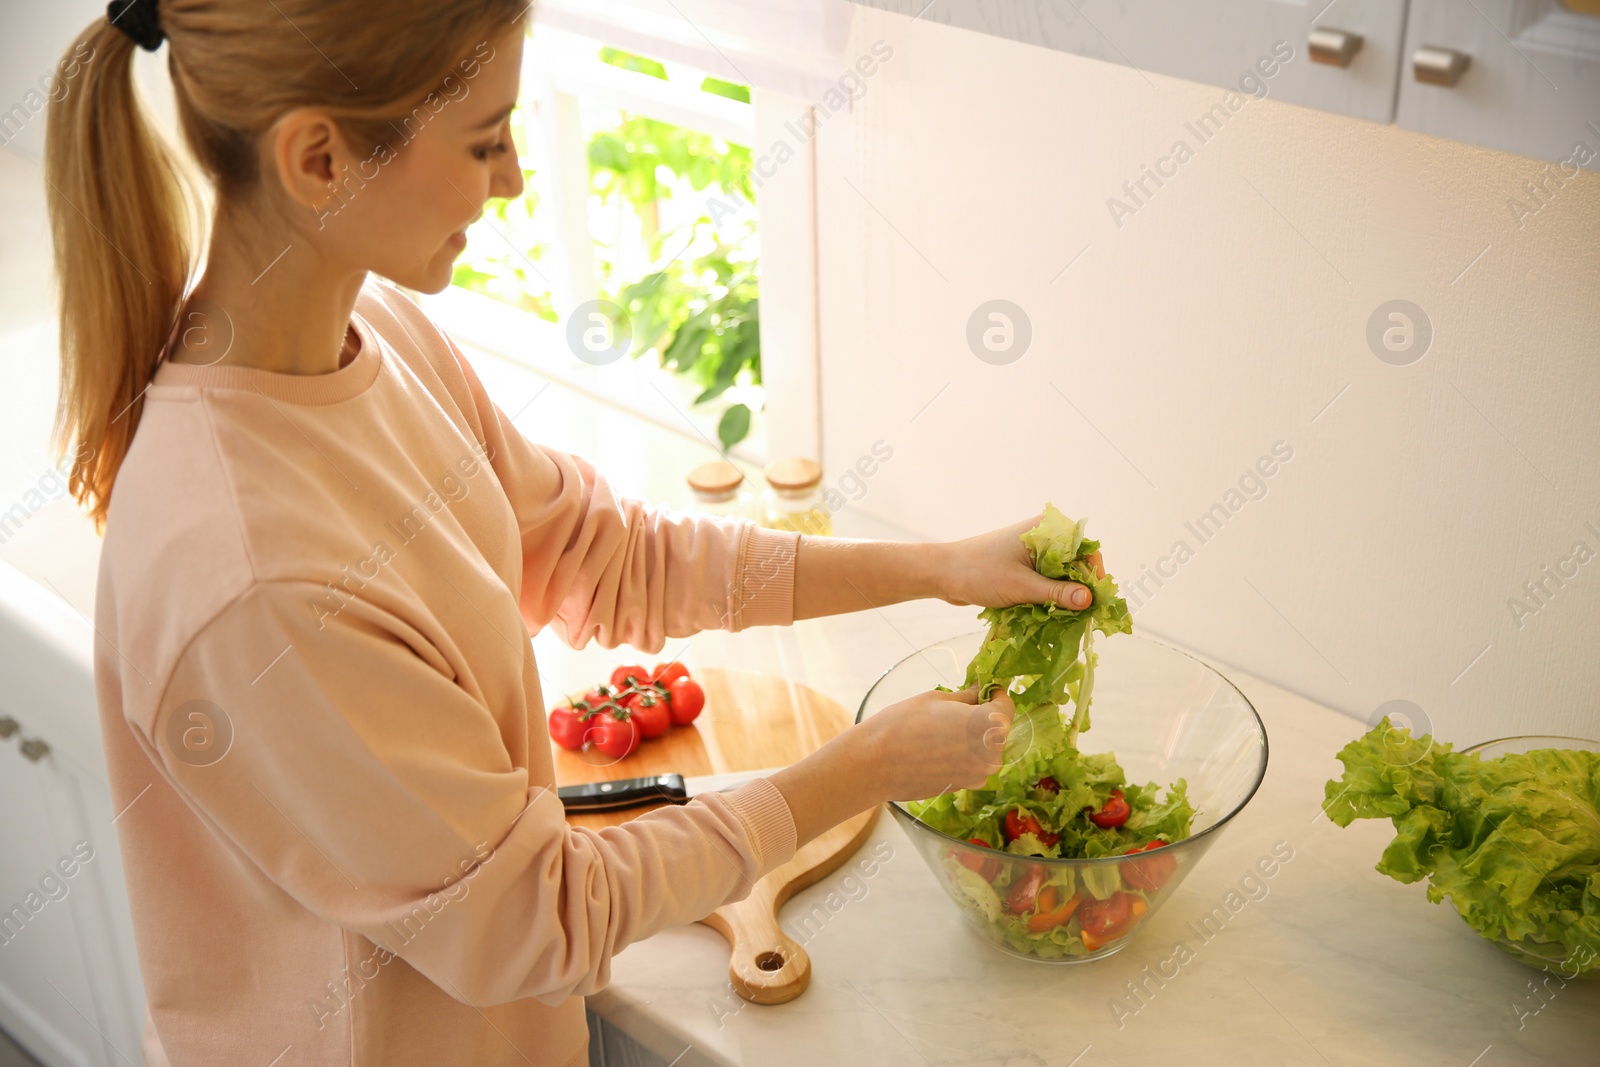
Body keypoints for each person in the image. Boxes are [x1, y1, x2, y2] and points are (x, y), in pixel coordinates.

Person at [45, 3, 1101, 1065]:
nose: (510, 178)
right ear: (321, 159)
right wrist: (856, 769)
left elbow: (608, 554)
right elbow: (534, 915)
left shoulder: (381, 338)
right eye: (483, 139)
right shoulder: (250, 575)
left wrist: (936, 568)